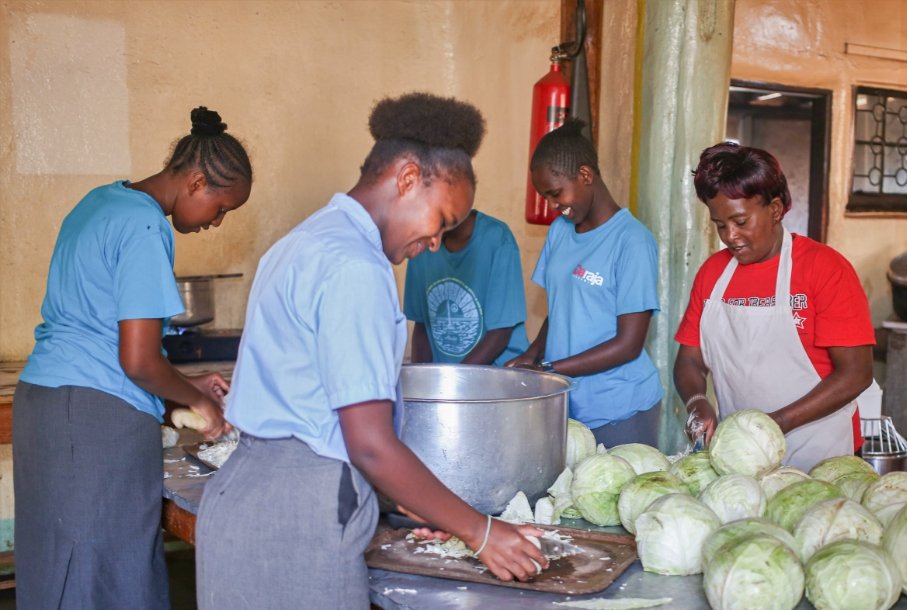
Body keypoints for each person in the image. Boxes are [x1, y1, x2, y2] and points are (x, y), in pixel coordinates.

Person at [195, 92, 545, 610]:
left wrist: (422, 505)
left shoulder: (301, 242)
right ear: (407, 179)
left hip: (240, 500)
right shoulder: (358, 267)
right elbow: (370, 445)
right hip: (301, 514)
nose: (434, 242)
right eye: (442, 220)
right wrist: (481, 531)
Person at [13, 106, 251, 609]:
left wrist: (184, 391)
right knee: (102, 574)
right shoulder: (146, 228)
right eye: (221, 207)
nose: (217, 221)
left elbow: (99, 330)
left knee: (62, 566)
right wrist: (202, 407)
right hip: (93, 422)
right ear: (197, 181)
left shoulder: (101, 201)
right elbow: (138, 361)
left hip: (46, 406)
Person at [674, 141, 874, 471]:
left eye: (740, 221)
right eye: (720, 225)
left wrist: (775, 423)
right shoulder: (713, 274)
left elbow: (856, 373)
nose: (731, 236)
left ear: (776, 209)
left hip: (820, 456)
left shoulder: (824, 269)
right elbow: (689, 360)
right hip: (743, 460)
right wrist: (697, 403)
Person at [506, 118, 664, 449]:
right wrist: (531, 357)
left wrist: (550, 370)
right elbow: (559, 311)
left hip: (621, 409)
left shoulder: (632, 241)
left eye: (555, 193)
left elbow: (629, 344)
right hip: (569, 405)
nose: (553, 206)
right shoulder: (560, 232)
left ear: (586, 175)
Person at [404, 209, 528, 365]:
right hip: (444, 382)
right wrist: (422, 379)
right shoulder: (422, 244)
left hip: (495, 378)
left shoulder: (498, 240)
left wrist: (455, 381)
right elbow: (422, 325)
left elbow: (500, 333)